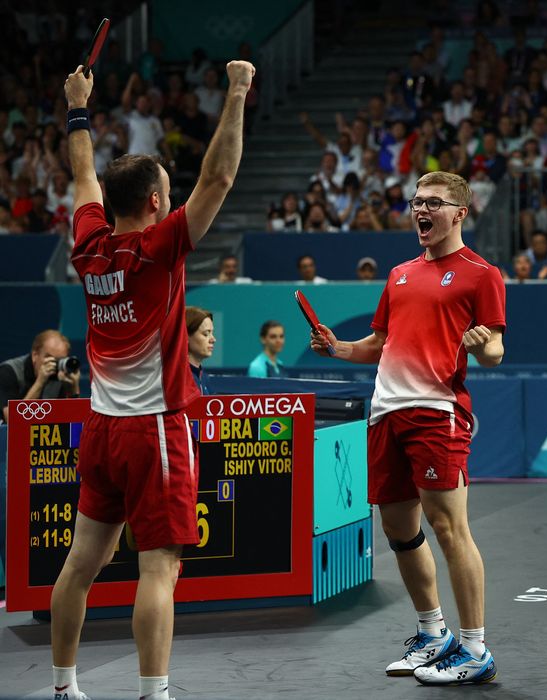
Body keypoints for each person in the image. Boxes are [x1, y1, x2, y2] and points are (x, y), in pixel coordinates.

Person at [51, 59, 253, 700]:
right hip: (156, 433)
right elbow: (220, 176)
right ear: (159, 203)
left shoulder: (89, 245)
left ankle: (63, 688)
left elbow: (83, 170)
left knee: (80, 565)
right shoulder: (160, 247)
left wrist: (78, 107)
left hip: (101, 430)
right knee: (159, 568)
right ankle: (154, 693)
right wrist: (239, 91)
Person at [309, 171, 504, 686]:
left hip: (436, 409)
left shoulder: (481, 274)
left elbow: (495, 352)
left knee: (448, 527)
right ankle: (433, 634)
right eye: (417, 202)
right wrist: (339, 348)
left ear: (459, 213)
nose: (422, 210)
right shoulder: (397, 274)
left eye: (434, 203)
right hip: (385, 411)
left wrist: (481, 343)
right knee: (398, 527)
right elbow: (378, 342)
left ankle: (475, 648)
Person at [0, 330, 81, 423]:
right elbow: (13, 421)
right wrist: (40, 382)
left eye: (60, 360)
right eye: (50, 358)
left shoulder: (61, 374)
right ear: (35, 355)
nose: (54, 365)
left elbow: (75, 423)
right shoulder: (8, 371)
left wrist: (73, 389)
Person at [186, 306, 215, 394]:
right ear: (185, 336)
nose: (213, 339)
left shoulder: (204, 377)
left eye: (212, 333)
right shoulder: (179, 380)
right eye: (206, 334)